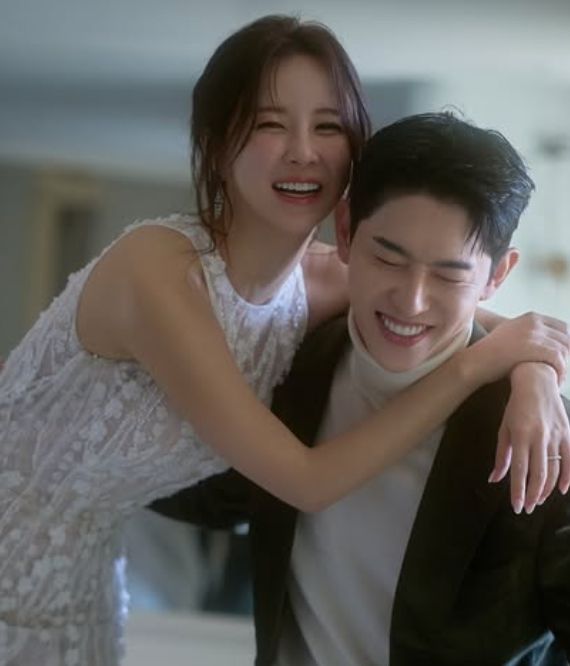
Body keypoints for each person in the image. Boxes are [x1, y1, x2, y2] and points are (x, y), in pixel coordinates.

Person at [0, 15, 568, 666]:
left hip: (81, 578)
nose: (303, 152)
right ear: (218, 144)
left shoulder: (331, 280)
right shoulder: (156, 271)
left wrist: (535, 376)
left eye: (327, 126)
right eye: (271, 124)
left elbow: (465, 313)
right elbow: (305, 481)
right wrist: (478, 368)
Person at [154, 112, 570, 665]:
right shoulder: (292, 366)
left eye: (448, 275)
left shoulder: (542, 433)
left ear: (497, 276)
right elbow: (205, 490)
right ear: (346, 231)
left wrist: (537, 370)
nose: (411, 301)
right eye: (388, 258)